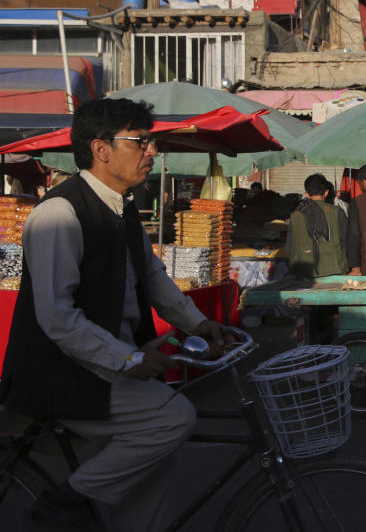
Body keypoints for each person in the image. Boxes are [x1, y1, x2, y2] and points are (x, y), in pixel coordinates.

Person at [0, 98, 228, 532]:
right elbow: (58, 318)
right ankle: (67, 499)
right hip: (63, 374)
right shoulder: (59, 214)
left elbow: (153, 277)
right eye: (140, 141)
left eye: (151, 141)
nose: (151, 151)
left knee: (152, 474)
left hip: (107, 367)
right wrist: (129, 360)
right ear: (101, 149)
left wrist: (199, 324)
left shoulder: (121, 210)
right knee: (172, 417)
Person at [287, 173, 347, 279]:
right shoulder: (336, 211)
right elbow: (348, 241)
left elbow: (289, 247)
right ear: (326, 193)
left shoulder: (295, 215)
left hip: (304, 273)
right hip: (335, 270)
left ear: (307, 194)